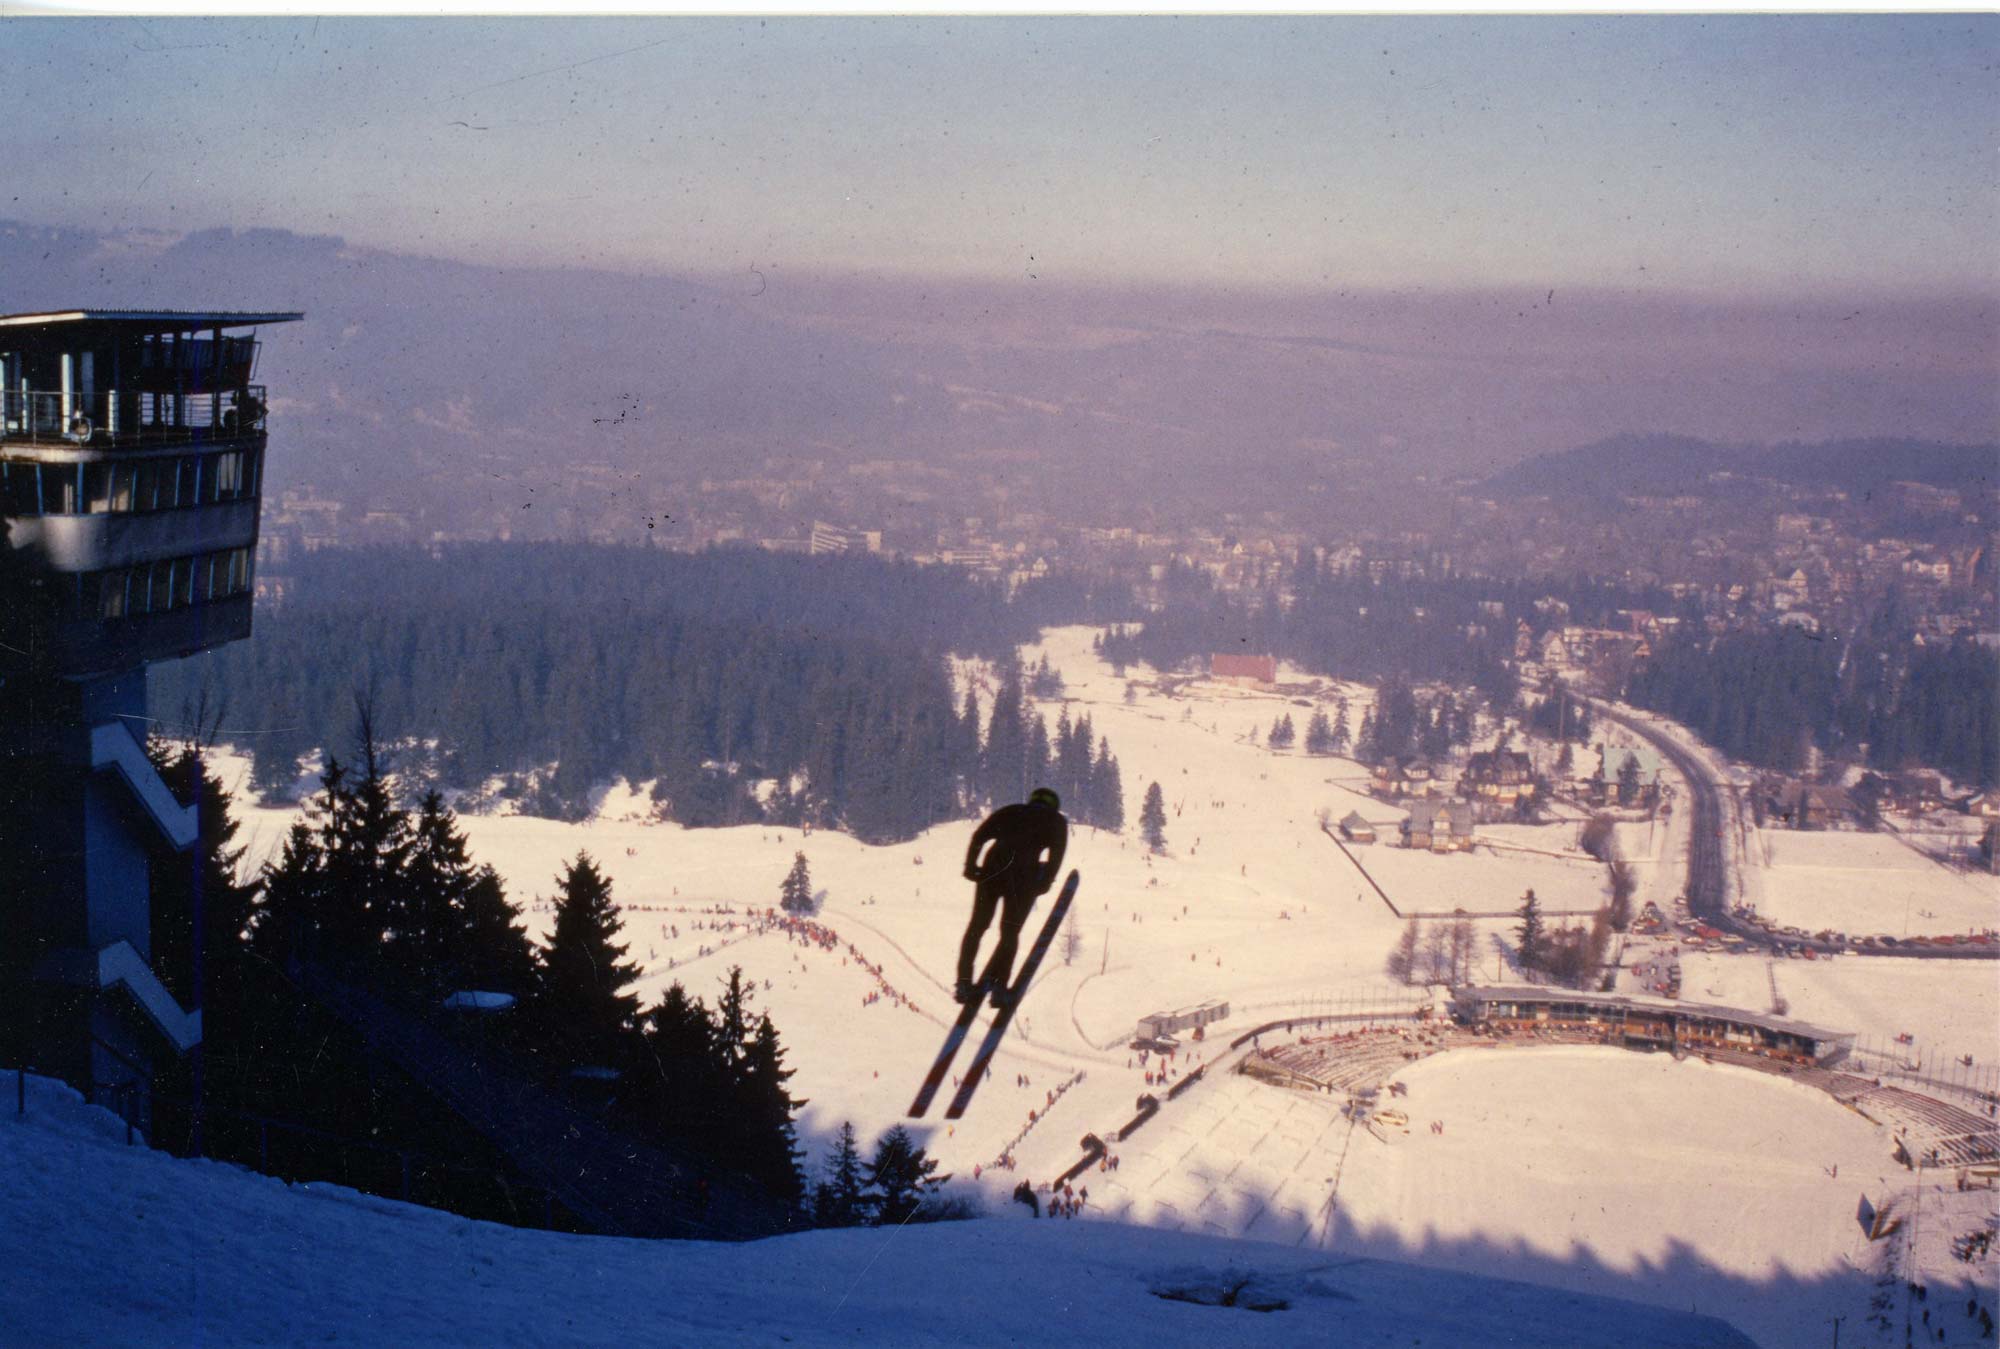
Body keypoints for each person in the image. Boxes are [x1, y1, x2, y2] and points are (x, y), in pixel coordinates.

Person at [956, 786, 1068, 1008]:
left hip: (992, 868)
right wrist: (1044, 882)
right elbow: (1056, 856)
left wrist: (971, 866)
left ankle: (963, 984)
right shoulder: (1056, 821)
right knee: (1009, 933)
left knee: (977, 926)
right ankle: (999, 990)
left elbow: (979, 836)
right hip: (1022, 876)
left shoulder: (1012, 810)